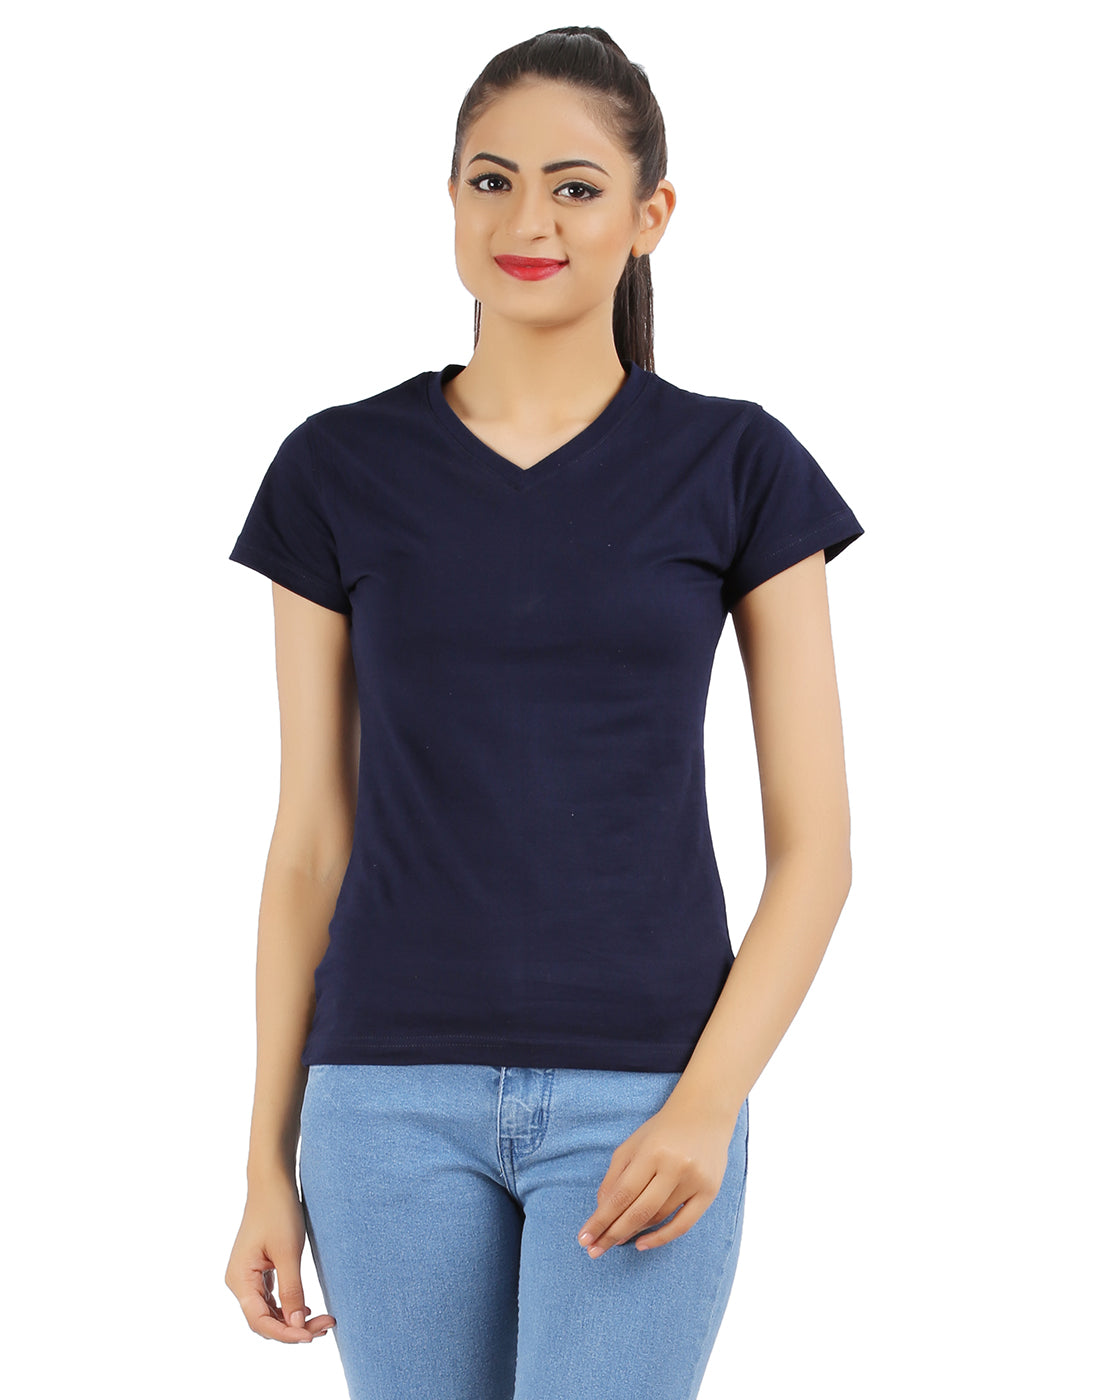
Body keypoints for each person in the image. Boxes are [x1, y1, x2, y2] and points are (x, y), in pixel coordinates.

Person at [223, 25, 864, 1400]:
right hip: (383, 1101)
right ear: (449, 197)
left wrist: (707, 1105)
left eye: (575, 187)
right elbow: (309, 845)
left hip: (645, 1095)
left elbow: (818, 851)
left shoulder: (739, 466)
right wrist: (265, 1162)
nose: (528, 222)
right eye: (491, 181)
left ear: (651, 215)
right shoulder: (336, 469)